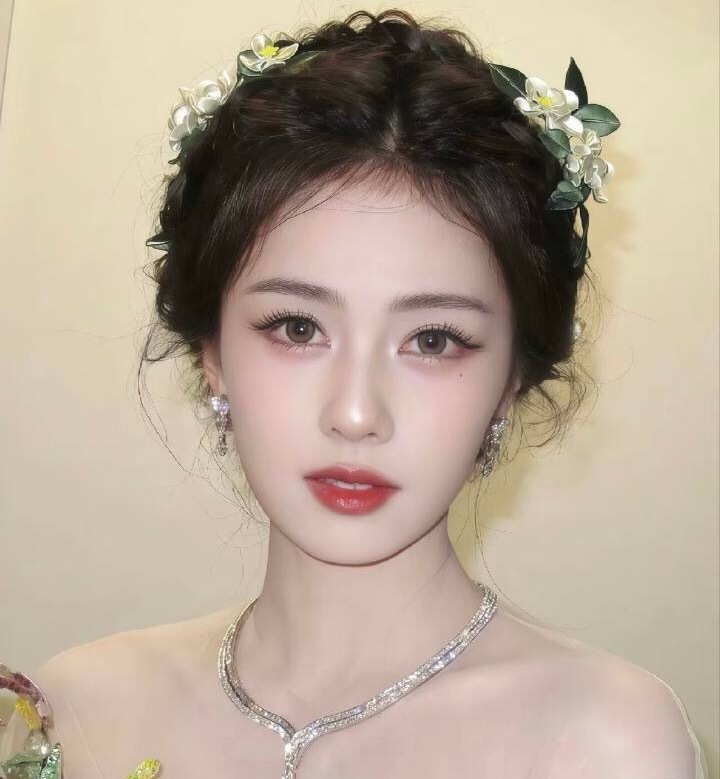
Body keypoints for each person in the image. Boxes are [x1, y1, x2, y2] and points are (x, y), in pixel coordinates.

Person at [0, 8, 708, 779]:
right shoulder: (73, 712)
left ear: (510, 380)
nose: (356, 414)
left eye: (433, 340)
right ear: (214, 353)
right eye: (298, 327)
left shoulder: (608, 745)